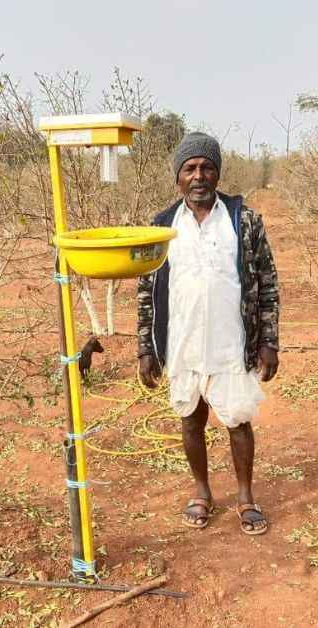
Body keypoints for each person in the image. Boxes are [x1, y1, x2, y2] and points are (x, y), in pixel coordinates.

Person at [136, 131, 280, 536]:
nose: (199, 176)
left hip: (232, 341)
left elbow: (267, 282)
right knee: (190, 419)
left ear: (218, 174)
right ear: (177, 178)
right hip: (182, 342)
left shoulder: (244, 220)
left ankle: (246, 497)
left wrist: (269, 340)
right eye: (190, 168)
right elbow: (147, 290)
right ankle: (202, 492)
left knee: (237, 421)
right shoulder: (162, 227)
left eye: (207, 167)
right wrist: (146, 347)